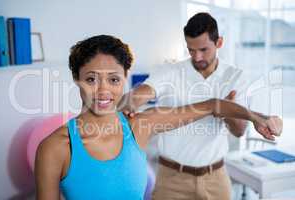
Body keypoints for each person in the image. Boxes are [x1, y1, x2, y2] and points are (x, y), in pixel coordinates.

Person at [35, 35, 282, 200]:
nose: (102, 90)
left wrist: (257, 117)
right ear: (76, 79)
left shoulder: (140, 126)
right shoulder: (55, 148)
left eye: (113, 79)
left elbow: (211, 105)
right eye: (91, 79)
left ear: (124, 78)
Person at [119, 13, 277, 200]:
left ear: (219, 42)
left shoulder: (234, 77)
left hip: (215, 178)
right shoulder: (170, 71)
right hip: (171, 179)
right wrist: (131, 99)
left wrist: (226, 110)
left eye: (203, 49)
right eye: (191, 50)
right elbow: (145, 90)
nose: (197, 56)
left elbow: (239, 131)